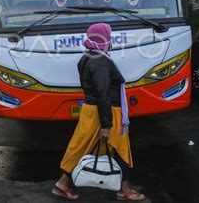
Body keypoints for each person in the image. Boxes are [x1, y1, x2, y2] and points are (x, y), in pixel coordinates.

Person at [53, 23, 146, 201]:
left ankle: (62, 183)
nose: (110, 41)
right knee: (120, 150)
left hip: (91, 111)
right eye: (108, 37)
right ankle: (124, 190)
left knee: (80, 148)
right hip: (106, 112)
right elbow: (103, 95)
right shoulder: (101, 62)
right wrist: (106, 125)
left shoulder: (87, 57)